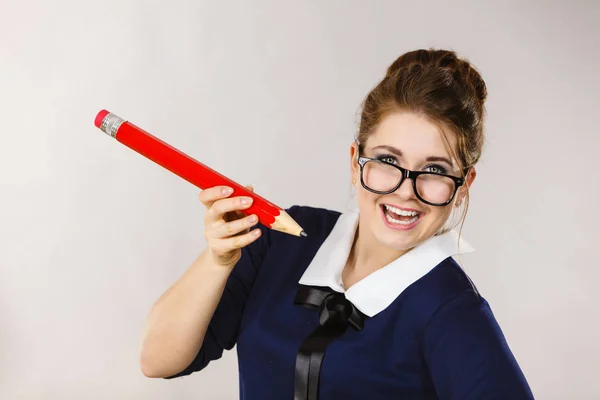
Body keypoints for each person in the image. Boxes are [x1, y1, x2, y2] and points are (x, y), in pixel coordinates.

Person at [139, 49, 534, 399]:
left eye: (434, 170)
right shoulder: (281, 239)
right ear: (354, 161)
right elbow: (158, 360)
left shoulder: (452, 310)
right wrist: (217, 261)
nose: (405, 192)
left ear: (463, 187)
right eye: (388, 161)